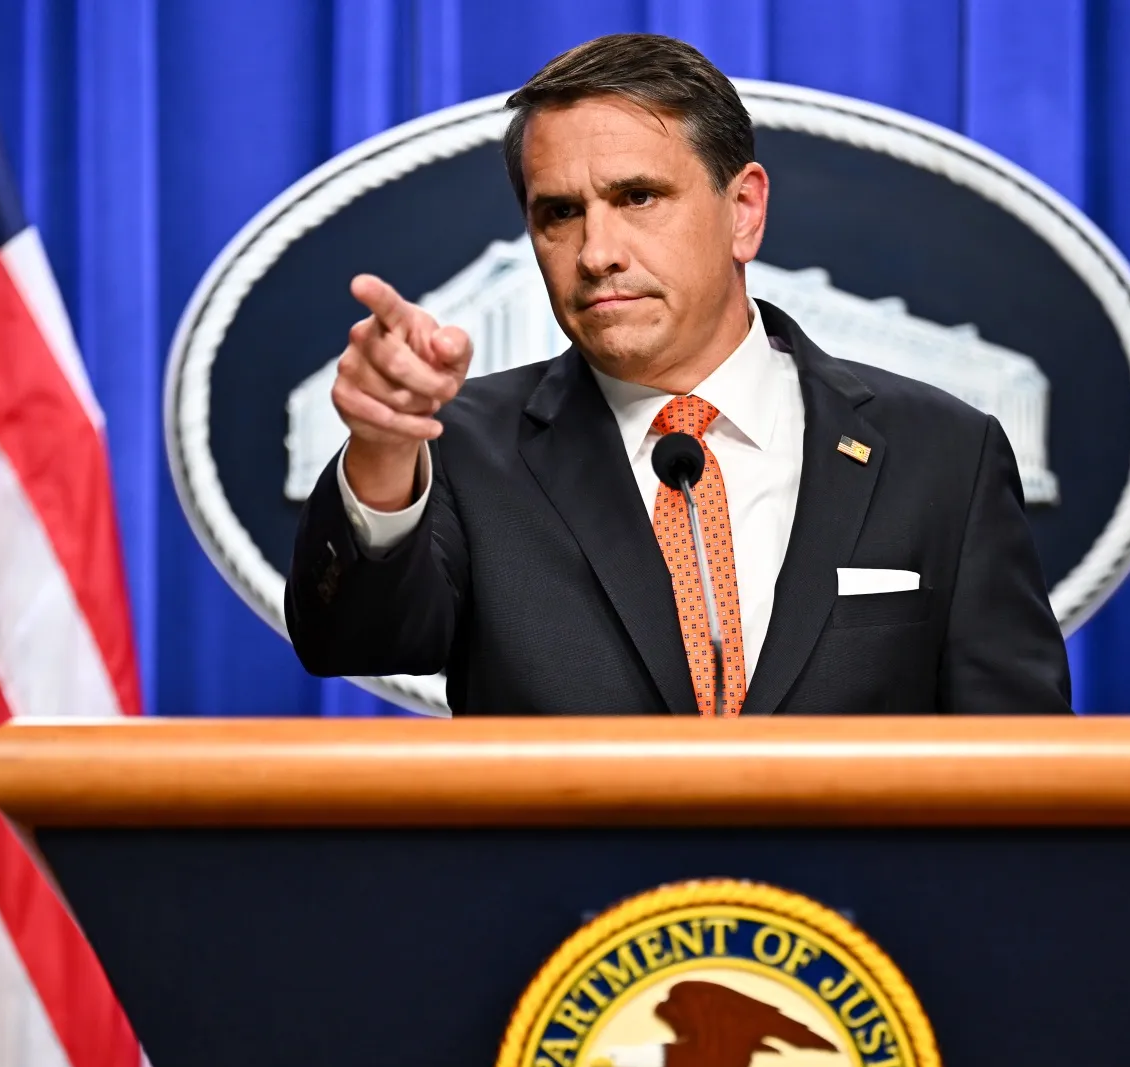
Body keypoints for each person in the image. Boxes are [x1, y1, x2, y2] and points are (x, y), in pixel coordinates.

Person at [285, 32, 1071, 716]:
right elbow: (352, 642)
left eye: (638, 197)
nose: (596, 253)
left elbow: (1024, 765)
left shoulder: (942, 454)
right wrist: (383, 450)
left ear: (744, 211)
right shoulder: (462, 450)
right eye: (560, 213)